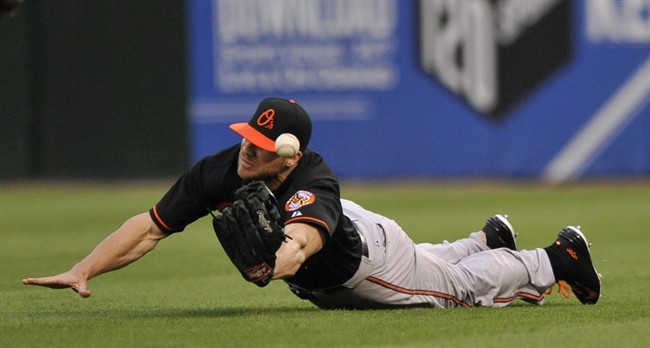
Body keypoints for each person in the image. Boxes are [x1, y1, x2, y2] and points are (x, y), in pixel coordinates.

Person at [22, 97, 601, 309]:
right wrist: (84, 269)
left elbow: (300, 247)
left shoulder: (313, 183)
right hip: (350, 236)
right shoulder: (223, 168)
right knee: (437, 264)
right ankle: (482, 242)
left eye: (261, 148)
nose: (247, 153)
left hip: (361, 265)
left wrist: (265, 268)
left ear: (291, 156)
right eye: (247, 138)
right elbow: (149, 227)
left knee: (457, 291)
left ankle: (554, 259)